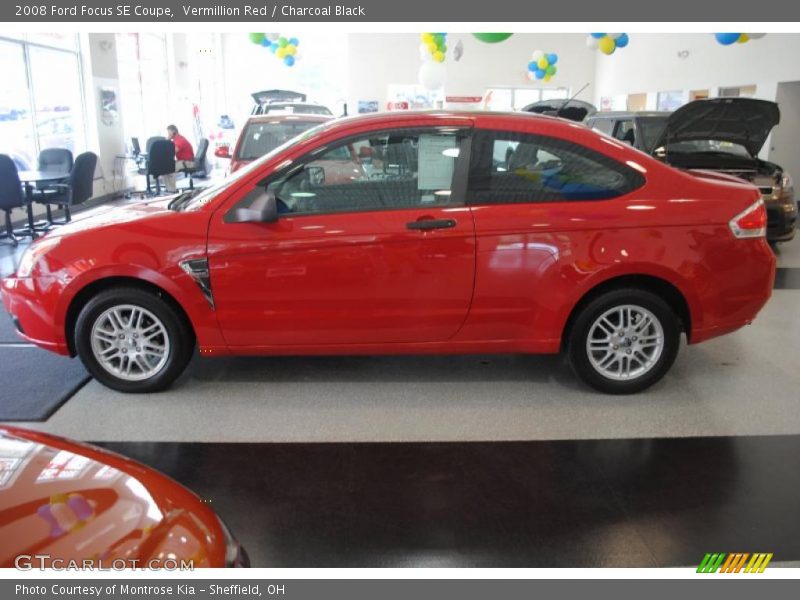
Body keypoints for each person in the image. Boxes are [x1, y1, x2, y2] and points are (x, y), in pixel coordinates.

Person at [164, 124, 194, 193]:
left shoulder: (179, 139)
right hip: (183, 161)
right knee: (165, 168)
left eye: (169, 133)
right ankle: (169, 189)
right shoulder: (176, 140)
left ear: (174, 132)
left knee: (170, 168)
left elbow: (173, 152)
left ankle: (172, 190)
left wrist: (167, 141)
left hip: (188, 162)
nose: (168, 135)